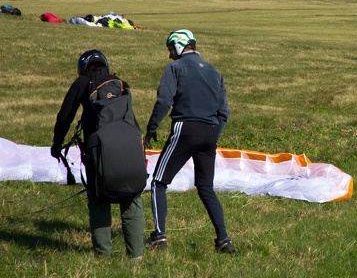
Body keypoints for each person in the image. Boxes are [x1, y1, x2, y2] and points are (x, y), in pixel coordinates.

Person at [144, 29, 235, 254]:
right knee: (206, 188)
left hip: (186, 128)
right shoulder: (214, 71)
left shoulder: (175, 68)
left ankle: (159, 237)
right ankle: (223, 239)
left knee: (158, 183)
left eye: (169, 50)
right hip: (211, 131)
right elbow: (224, 112)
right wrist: (214, 134)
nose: (169, 56)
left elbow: (164, 100)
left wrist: (151, 127)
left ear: (178, 45)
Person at [50, 50, 145, 260]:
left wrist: (57, 145)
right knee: (131, 197)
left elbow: (65, 115)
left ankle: (104, 255)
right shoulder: (120, 84)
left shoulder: (83, 83)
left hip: (99, 151)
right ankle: (136, 257)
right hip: (130, 147)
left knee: (99, 197)